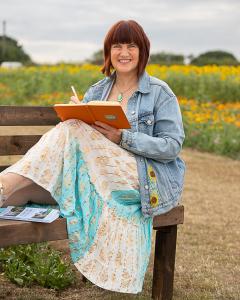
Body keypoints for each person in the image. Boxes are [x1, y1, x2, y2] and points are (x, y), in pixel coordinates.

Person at [0, 20, 185, 294]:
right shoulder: (97, 91)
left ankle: (3, 183)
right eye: (117, 45)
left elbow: (172, 146)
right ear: (108, 52)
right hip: (98, 176)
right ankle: (5, 190)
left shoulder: (159, 92)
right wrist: (80, 113)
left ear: (142, 50)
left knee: (70, 129)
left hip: (142, 180)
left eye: (131, 45)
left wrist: (122, 137)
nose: (124, 52)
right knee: (66, 135)